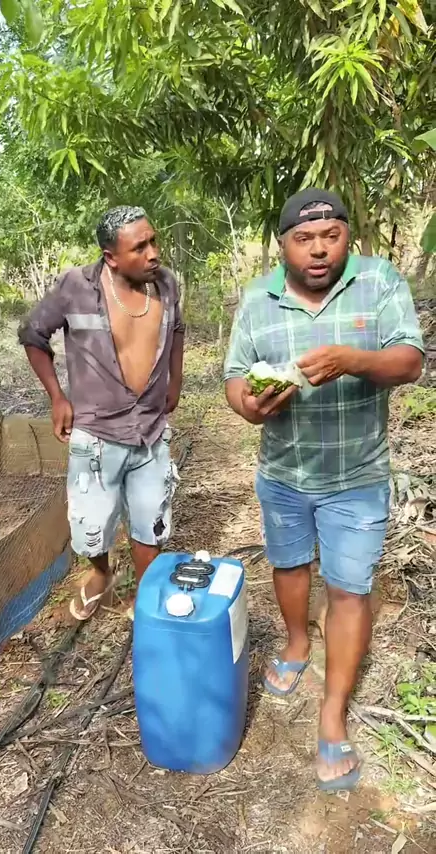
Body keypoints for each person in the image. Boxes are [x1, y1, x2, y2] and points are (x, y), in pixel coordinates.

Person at [224, 188, 424, 792]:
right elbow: (234, 379)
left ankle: (332, 713)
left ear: (347, 237)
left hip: (357, 476)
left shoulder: (379, 282)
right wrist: (251, 406)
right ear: (283, 245)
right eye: (303, 239)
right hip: (283, 473)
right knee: (288, 565)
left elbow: (410, 361)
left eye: (330, 236)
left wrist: (352, 360)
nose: (318, 250)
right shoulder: (258, 299)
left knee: (348, 588)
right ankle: (295, 643)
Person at [18, 206, 185, 621]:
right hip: (96, 432)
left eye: (153, 241)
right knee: (91, 525)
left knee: (151, 520)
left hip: (150, 428)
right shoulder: (75, 287)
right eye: (139, 247)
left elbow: (177, 329)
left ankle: (145, 596)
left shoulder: (165, 285)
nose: (153, 253)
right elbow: (33, 334)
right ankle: (101, 573)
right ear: (111, 257)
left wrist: (176, 378)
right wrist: (57, 397)